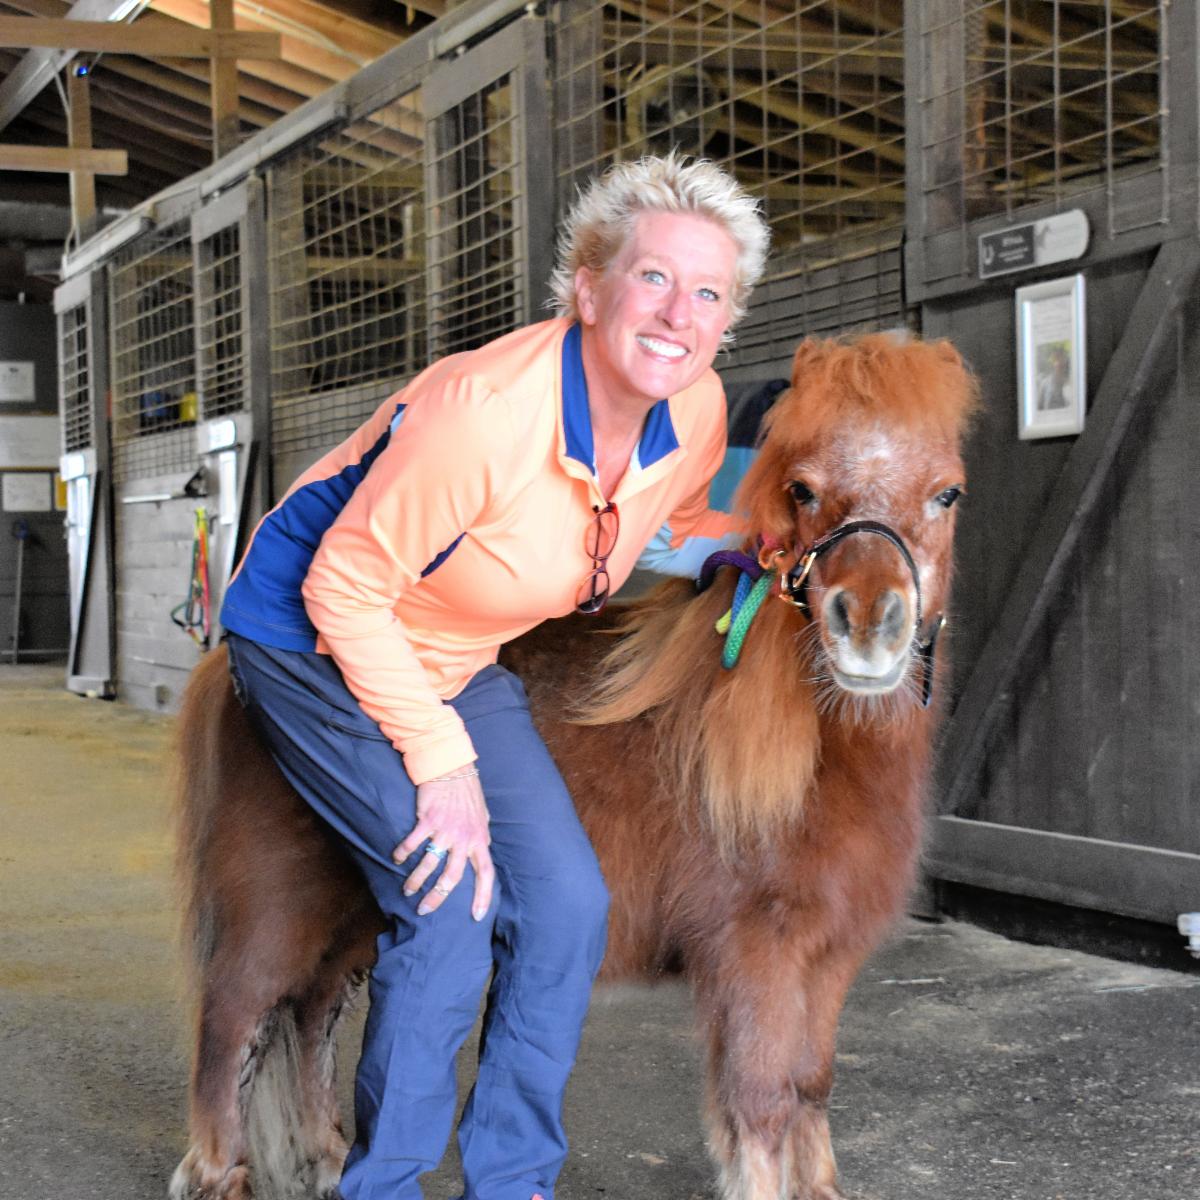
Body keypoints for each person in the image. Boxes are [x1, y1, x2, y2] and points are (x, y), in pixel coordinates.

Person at [218, 153, 770, 1200]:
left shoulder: (694, 409)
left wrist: (762, 545)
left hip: (450, 646)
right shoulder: (486, 413)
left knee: (567, 905)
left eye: (708, 293)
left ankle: (512, 1182)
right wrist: (442, 764)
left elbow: (665, 526)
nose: (678, 314)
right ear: (589, 289)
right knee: (450, 902)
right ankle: (384, 1187)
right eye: (653, 277)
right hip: (310, 634)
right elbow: (345, 587)